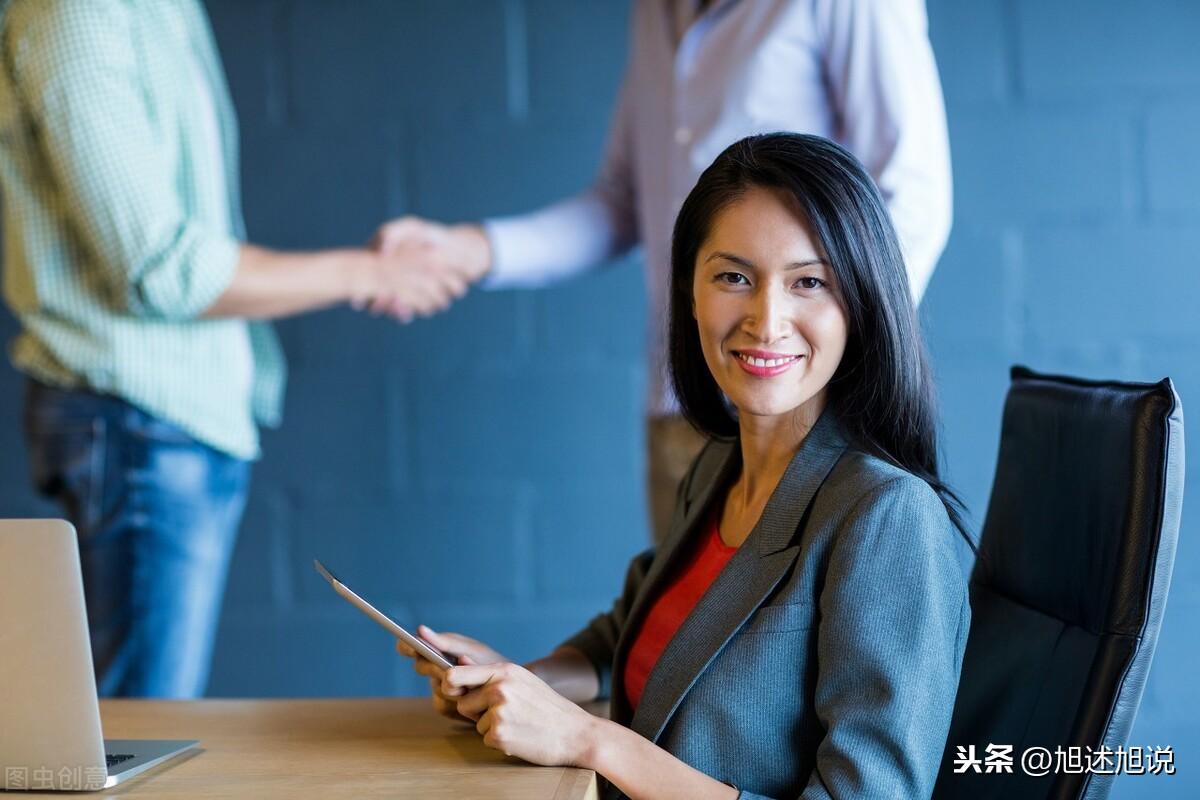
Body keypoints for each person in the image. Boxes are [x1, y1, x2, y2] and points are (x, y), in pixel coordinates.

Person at [397, 133, 973, 799]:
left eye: (809, 282)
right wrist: (521, 682)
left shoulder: (886, 515)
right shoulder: (721, 464)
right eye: (733, 277)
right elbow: (634, 635)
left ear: (861, 305)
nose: (767, 319)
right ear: (690, 293)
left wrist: (590, 740)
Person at [0, 0, 466, 698]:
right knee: (135, 734)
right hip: (134, 417)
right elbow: (154, 266)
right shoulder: (77, 10)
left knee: (138, 730)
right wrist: (369, 273)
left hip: (172, 419)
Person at [372, 0, 953, 544]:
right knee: (672, 638)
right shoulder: (655, 10)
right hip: (684, 401)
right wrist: (468, 249)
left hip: (803, 418)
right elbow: (622, 200)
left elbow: (915, 198)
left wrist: (817, 370)